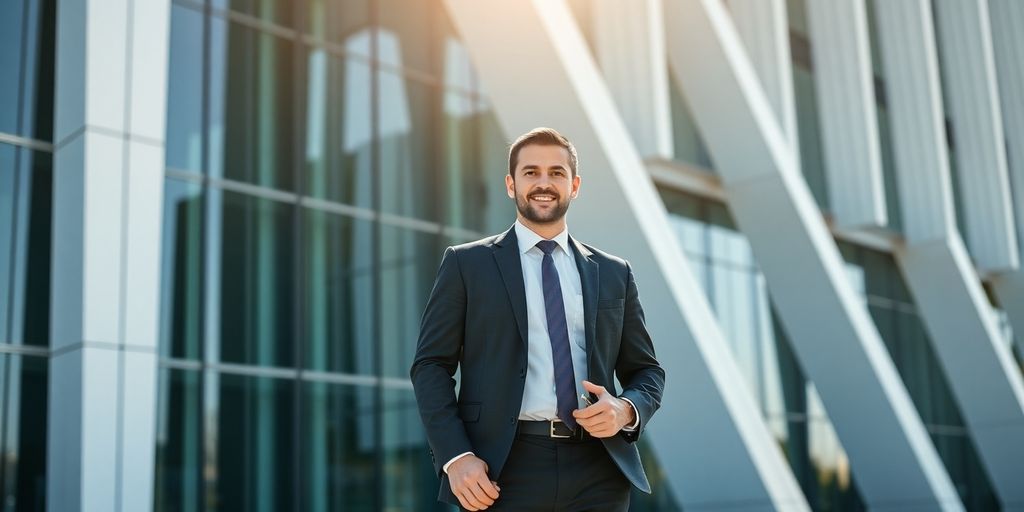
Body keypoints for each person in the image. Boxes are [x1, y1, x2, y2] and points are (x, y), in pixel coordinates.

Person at [410, 127, 665, 511]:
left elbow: (647, 372)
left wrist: (626, 410)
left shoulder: (614, 272)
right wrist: (456, 456)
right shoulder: (466, 264)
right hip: (502, 469)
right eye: (531, 172)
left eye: (556, 173)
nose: (543, 183)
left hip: (598, 470)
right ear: (511, 184)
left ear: (574, 185)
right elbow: (430, 366)